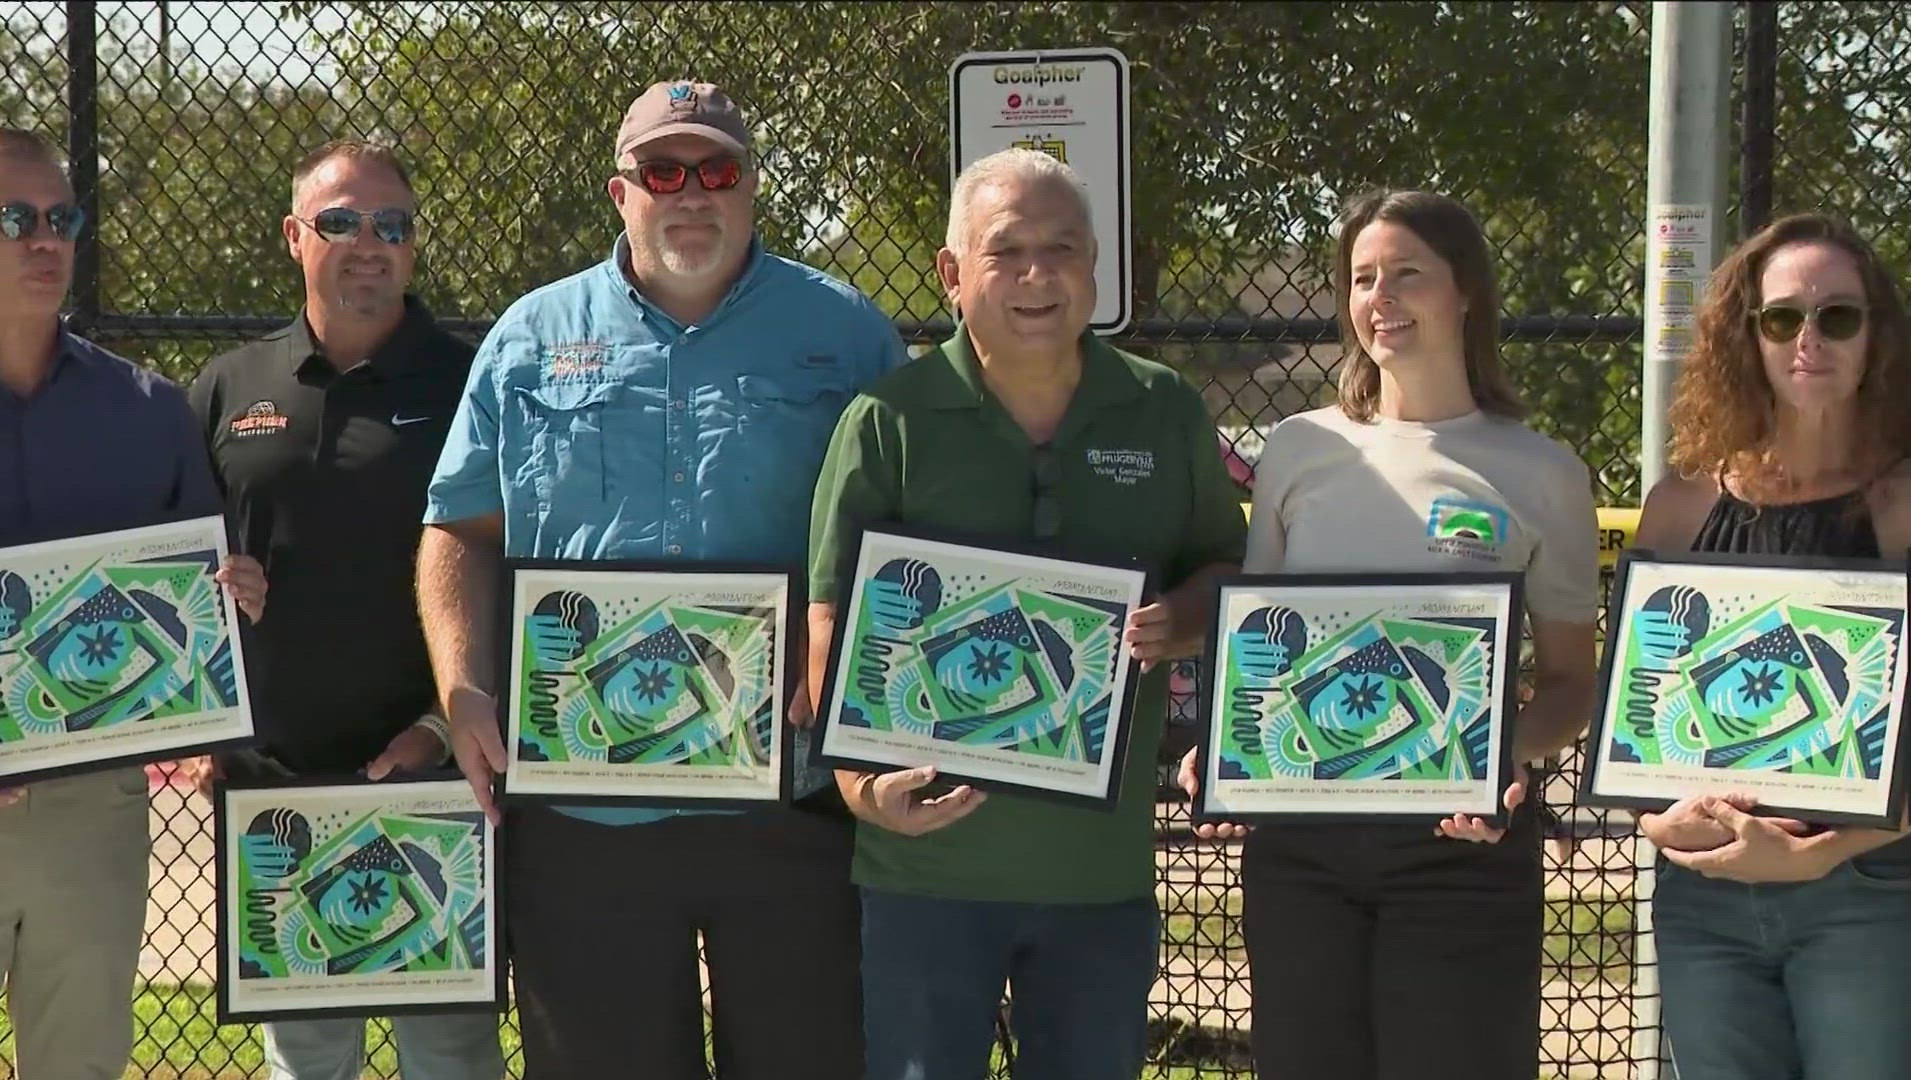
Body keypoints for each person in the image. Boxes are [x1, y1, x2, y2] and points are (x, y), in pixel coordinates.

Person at [416, 81, 906, 1078]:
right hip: (585, 811)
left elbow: (902, 533)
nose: (691, 193)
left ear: (752, 187)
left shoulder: (846, 334)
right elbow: (460, 530)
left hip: (791, 796)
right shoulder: (528, 338)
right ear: (621, 191)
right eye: (663, 171)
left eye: (717, 170)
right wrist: (463, 685)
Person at [806, 147, 1249, 1080]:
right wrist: (859, 791)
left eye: (1065, 248)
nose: (1039, 274)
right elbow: (831, 620)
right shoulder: (888, 420)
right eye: (1008, 251)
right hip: (926, 871)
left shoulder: (1164, 409)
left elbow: (1225, 570)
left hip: (1098, 873)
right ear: (953, 272)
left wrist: (1184, 618)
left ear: (1097, 268)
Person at [1179, 188, 1599, 1080]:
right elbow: (1263, 649)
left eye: (1408, 274)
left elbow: (1571, 681)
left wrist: (1502, 761)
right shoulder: (1296, 447)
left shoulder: (1544, 471)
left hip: (1460, 851)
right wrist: (1226, 742)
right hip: (1303, 850)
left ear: (1468, 294)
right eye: (1363, 278)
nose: (1382, 297)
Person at [182, 138, 503, 1080]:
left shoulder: (471, 381)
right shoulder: (229, 387)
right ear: (294, 236)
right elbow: (179, 567)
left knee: (449, 1060)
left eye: (391, 225)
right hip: (278, 786)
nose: (369, 242)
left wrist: (439, 728)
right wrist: (206, 689)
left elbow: (507, 570)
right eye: (341, 221)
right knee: (307, 1067)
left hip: (433, 785)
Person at [0, 126, 265, 1079]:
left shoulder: (148, 408)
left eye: (60, 218)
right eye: (16, 218)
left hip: (92, 806)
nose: (45, 239)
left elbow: (200, 599)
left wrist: (232, 597)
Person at [1632, 213, 1911, 1080]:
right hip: (1705, 898)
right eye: (1781, 317)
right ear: (1744, 336)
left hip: (1868, 893)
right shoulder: (1679, 507)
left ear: (1876, 338)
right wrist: (1657, 819)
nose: (1808, 339)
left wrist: (1811, 855)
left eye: (1838, 317)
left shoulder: (1908, 506)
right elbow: (1639, 719)